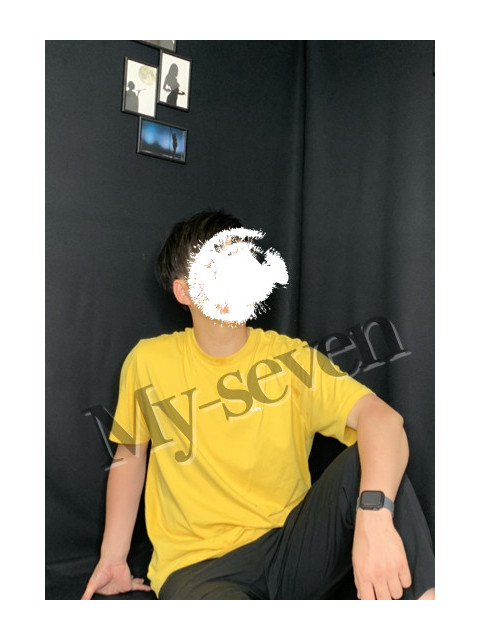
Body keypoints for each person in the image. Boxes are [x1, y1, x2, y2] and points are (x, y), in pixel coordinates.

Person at [81, 209, 435, 600]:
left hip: (292, 550)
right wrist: (113, 558)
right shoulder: (148, 362)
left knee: (375, 461)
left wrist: (374, 517)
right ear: (184, 292)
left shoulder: (291, 360)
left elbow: (382, 421)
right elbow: (130, 456)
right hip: (199, 569)